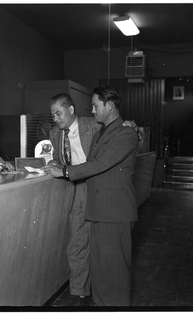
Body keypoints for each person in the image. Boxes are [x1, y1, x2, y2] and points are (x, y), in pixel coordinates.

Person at [44, 85, 140, 306]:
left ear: (109, 105)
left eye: (96, 106)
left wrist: (66, 171)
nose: (93, 111)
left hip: (113, 208)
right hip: (99, 206)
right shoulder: (101, 133)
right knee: (101, 267)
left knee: (114, 270)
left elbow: (101, 163)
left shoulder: (122, 131)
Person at [47, 93, 101, 306]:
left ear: (70, 109)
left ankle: (97, 287)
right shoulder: (54, 133)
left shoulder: (94, 124)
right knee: (78, 241)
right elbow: (58, 159)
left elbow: (119, 130)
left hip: (97, 185)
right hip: (76, 188)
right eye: (52, 115)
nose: (55, 119)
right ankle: (79, 293)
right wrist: (52, 164)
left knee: (99, 241)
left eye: (58, 113)